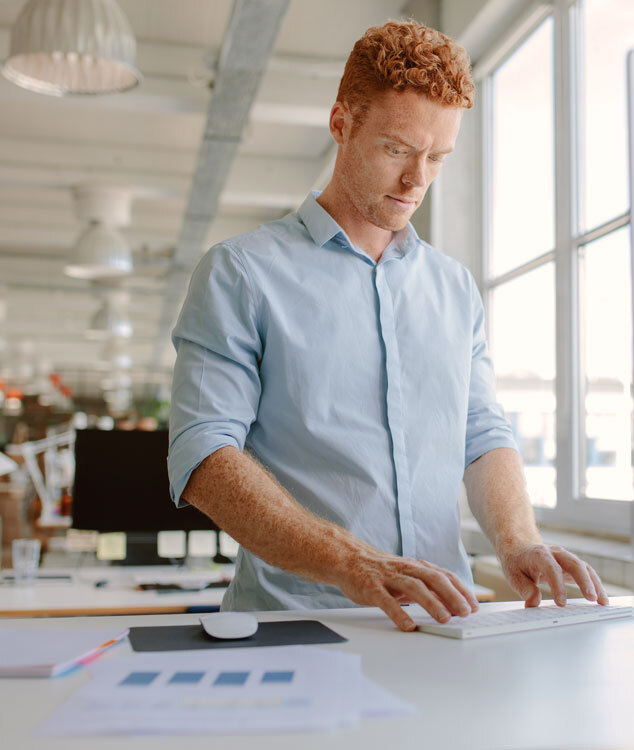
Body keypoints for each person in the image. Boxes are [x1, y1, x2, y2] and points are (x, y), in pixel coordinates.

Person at [167, 20, 608, 632]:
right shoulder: (241, 272)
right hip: (294, 628)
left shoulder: (454, 289)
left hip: (442, 626)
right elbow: (205, 454)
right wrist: (352, 562)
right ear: (341, 123)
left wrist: (517, 540)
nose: (416, 179)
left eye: (438, 157)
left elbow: (480, 433)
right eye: (397, 149)